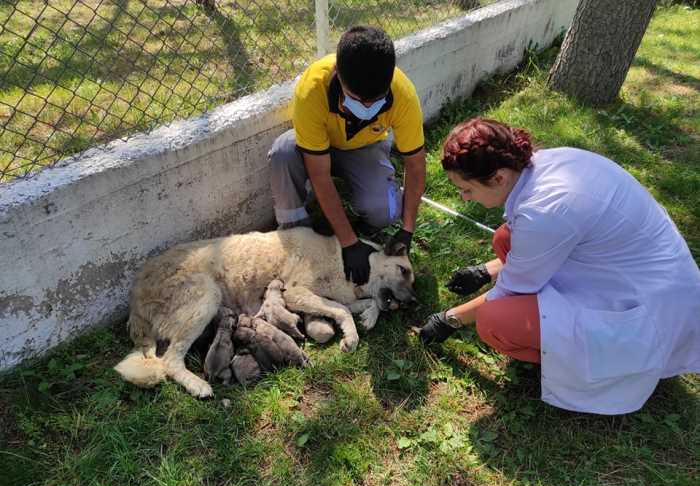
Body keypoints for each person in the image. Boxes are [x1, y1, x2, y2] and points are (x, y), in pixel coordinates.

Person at [419, 117, 700, 415]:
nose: (464, 198)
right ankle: (573, 342)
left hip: (651, 314)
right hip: (634, 278)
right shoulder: (545, 164)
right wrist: (486, 271)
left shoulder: (545, 210)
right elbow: (538, 247)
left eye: (466, 190)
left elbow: (509, 291)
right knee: (505, 238)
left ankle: (605, 366)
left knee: (493, 321)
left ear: (499, 177)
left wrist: (449, 318)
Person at [268, 26, 426, 285]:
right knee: (283, 153)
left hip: (365, 147)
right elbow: (319, 174)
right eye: (356, 99)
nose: (366, 108)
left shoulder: (403, 94)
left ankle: (365, 200)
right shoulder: (312, 90)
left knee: (384, 213)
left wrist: (407, 229)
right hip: (319, 147)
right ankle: (295, 231)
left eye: (375, 101)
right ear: (337, 75)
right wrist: (349, 242)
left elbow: (416, 164)